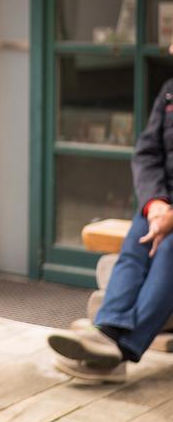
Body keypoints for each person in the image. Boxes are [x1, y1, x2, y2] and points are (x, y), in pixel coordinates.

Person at [47, 75, 173, 384]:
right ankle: (108, 329)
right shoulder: (170, 91)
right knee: (138, 239)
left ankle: (118, 348)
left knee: (169, 249)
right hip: (163, 204)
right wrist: (156, 204)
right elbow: (147, 152)